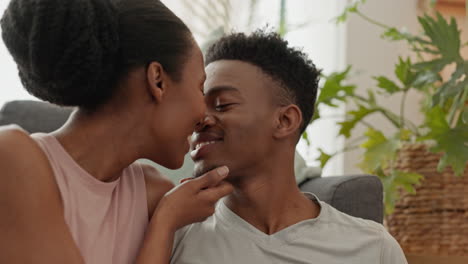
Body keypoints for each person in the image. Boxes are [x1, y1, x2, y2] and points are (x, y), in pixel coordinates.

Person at [0, 0, 232, 263]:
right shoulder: (11, 159)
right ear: (158, 80)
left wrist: (167, 217)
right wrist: (164, 224)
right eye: (200, 88)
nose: (205, 115)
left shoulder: (154, 195)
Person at [170, 30, 408, 264]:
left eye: (222, 105)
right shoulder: (176, 236)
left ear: (285, 121)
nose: (200, 118)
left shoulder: (372, 248)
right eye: (199, 106)